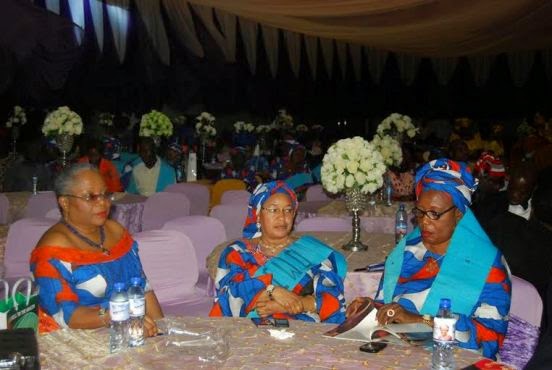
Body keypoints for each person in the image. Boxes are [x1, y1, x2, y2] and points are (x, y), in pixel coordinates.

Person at [349, 158, 511, 359]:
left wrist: (421, 321)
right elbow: (388, 307)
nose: (425, 222)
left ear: (459, 214)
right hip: (396, 353)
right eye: (420, 212)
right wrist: (369, 309)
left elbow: (490, 339)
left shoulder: (486, 264)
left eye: (435, 214)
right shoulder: (406, 252)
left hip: (451, 360)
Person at [30, 164, 163, 334]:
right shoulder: (51, 250)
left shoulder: (117, 231)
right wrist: (114, 316)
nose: (103, 202)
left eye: (105, 194)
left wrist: (160, 331)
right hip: (74, 340)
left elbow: (143, 288)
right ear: (65, 202)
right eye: (90, 197)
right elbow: (66, 314)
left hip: (129, 329)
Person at [209, 181, 347, 324]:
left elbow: (334, 297)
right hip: (247, 332)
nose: (282, 217)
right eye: (274, 210)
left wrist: (295, 304)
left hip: (303, 330)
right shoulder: (238, 252)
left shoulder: (312, 250)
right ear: (257, 214)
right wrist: (272, 290)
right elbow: (227, 297)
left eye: (288, 210)